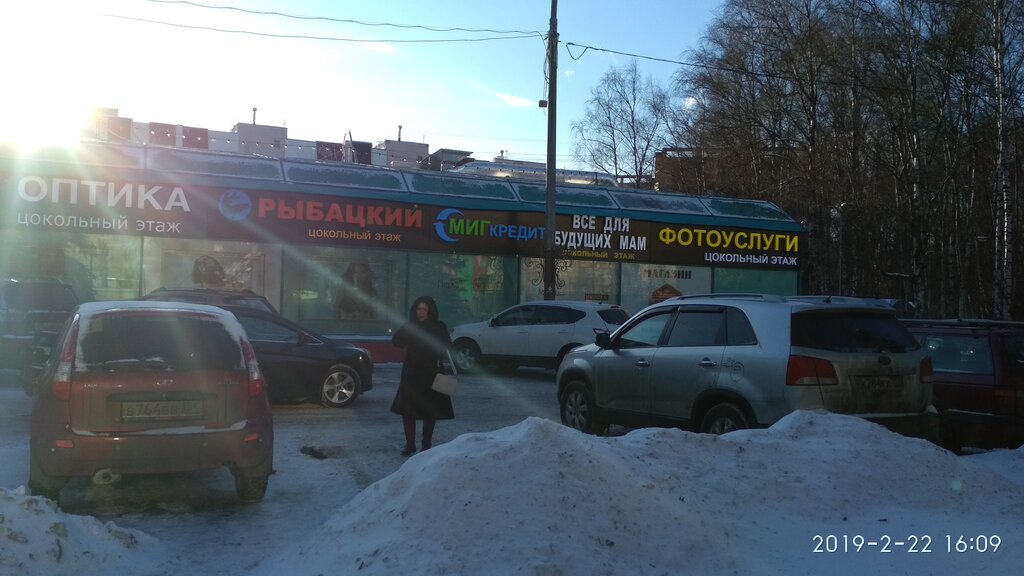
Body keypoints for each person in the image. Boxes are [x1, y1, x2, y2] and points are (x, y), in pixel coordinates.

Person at [390, 295, 454, 456]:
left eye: (424, 309)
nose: (421, 312)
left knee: (429, 411)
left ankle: (426, 445)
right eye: (419, 309)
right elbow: (397, 341)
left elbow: (447, 346)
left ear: (430, 310)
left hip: (431, 372)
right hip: (411, 373)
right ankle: (410, 444)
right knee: (407, 411)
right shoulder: (411, 325)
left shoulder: (438, 326)